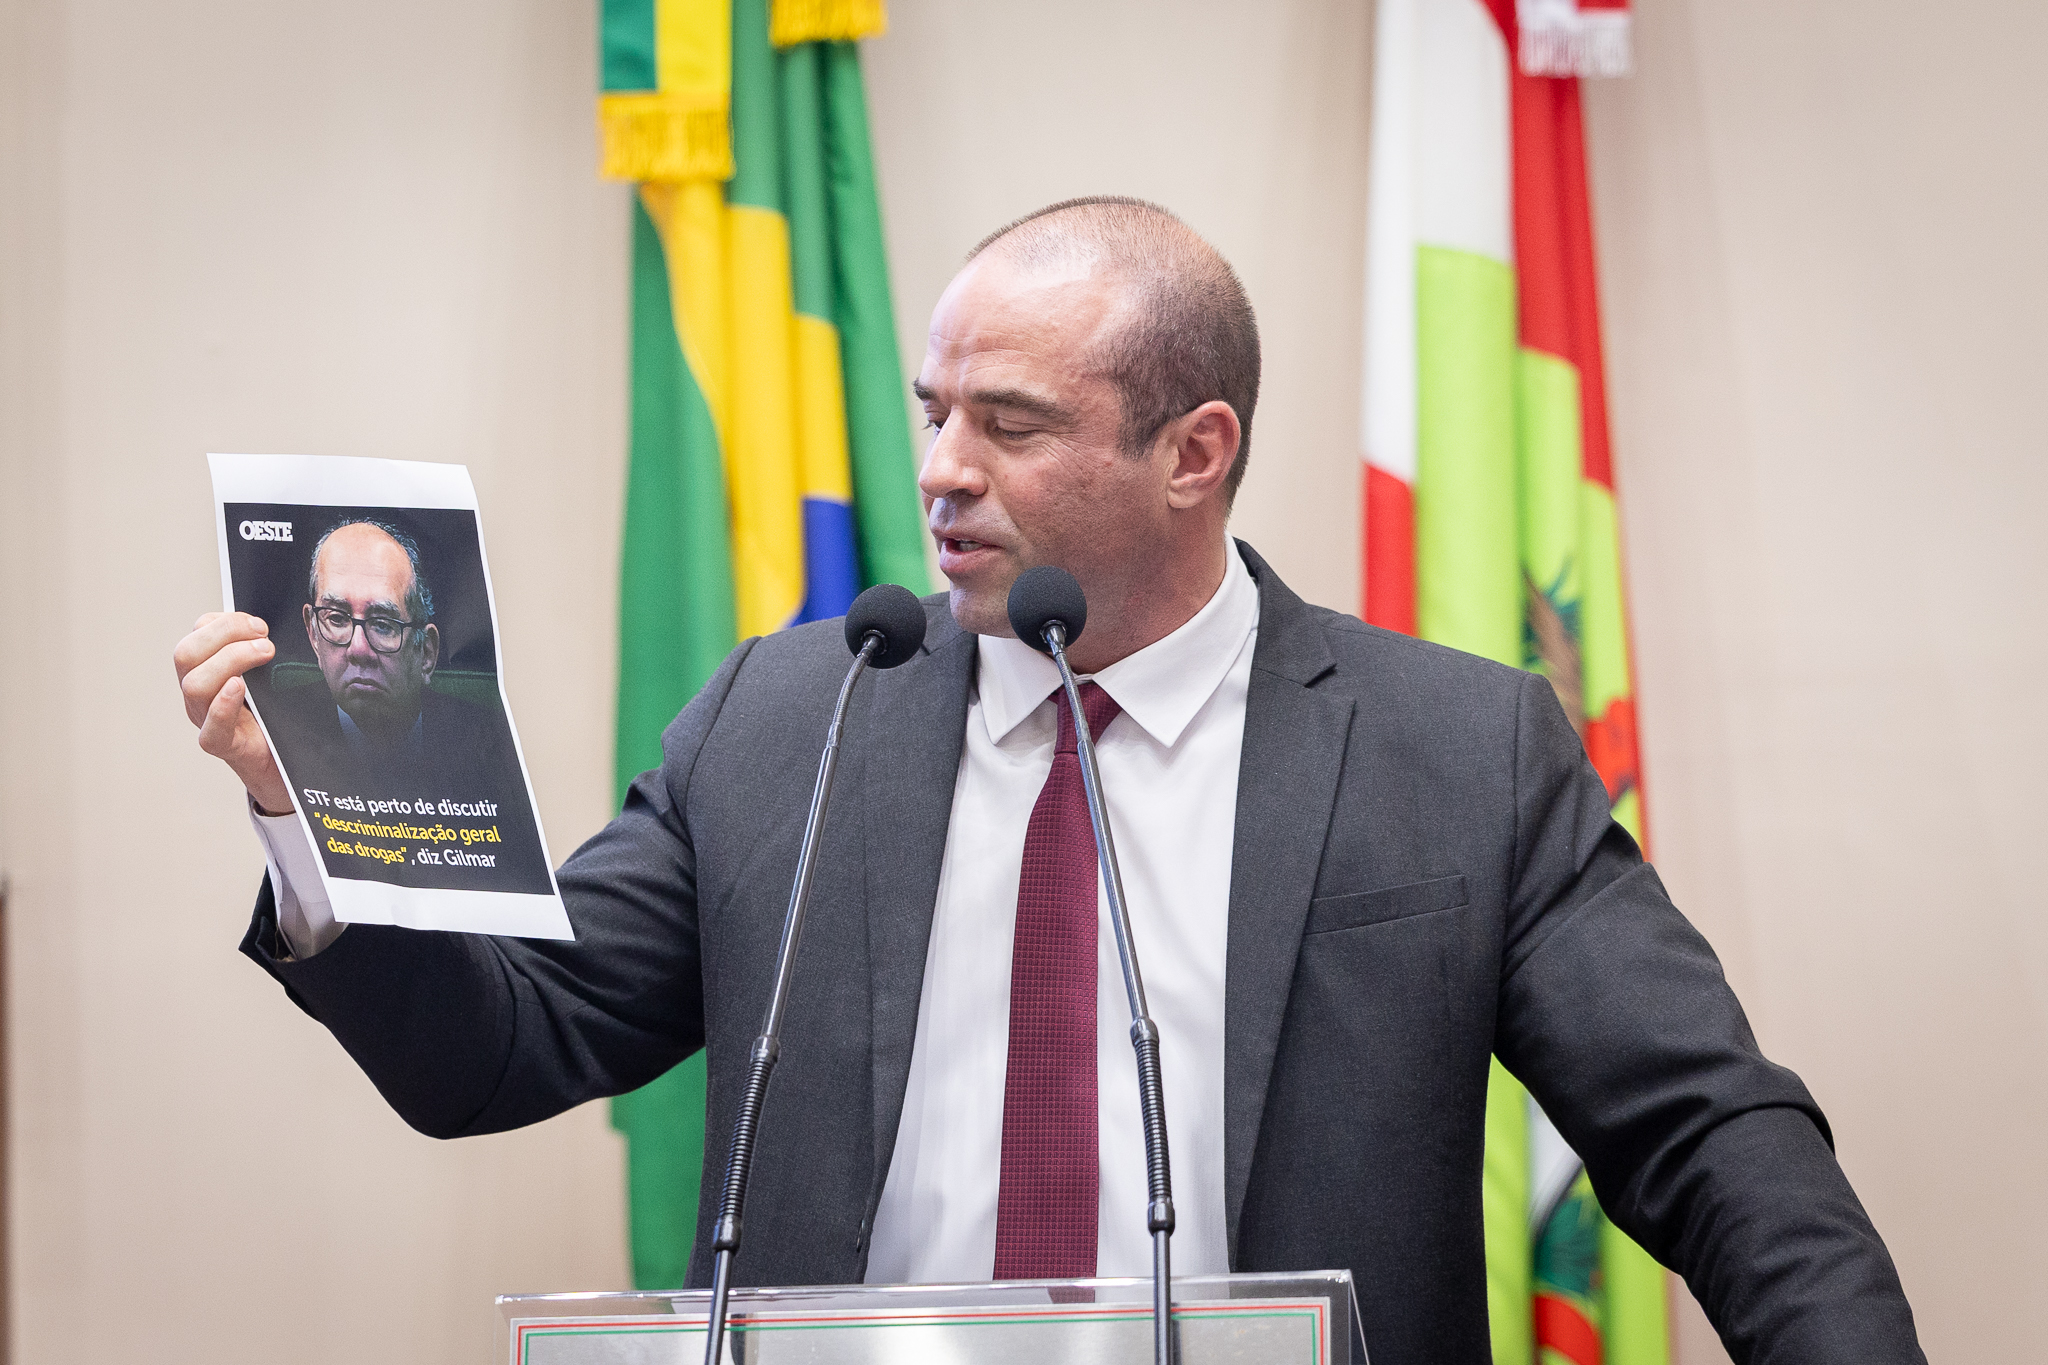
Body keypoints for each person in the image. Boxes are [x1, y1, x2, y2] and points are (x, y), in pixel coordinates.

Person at [172, 197, 1923, 1364]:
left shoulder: (1455, 751)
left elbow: (1709, 1134)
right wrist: (307, 816)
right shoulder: (792, 717)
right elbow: (502, 1045)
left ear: (1195, 452)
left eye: (1008, 424)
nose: (941, 469)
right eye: (934, 409)